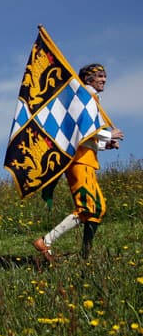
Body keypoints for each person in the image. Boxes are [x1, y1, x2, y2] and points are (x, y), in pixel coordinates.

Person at [33, 64, 125, 262]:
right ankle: (48, 241)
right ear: (89, 78)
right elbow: (83, 128)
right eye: (100, 76)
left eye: (105, 76)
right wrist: (109, 133)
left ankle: (82, 253)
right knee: (91, 207)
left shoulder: (91, 99)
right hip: (80, 161)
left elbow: (85, 137)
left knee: (95, 209)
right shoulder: (86, 98)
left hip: (87, 159)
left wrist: (105, 144)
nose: (104, 80)